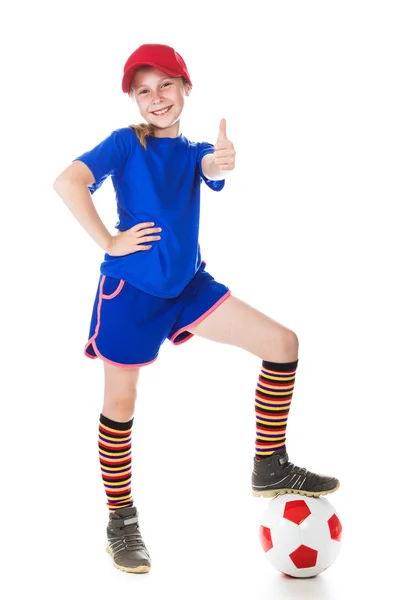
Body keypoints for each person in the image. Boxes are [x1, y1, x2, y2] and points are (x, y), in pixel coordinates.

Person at [53, 43, 339, 575]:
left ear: (186, 88)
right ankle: (121, 520)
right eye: (144, 90)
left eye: (166, 85)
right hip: (131, 296)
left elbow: (209, 162)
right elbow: (67, 182)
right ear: (134, 101)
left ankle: (269, 464)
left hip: (188, 288)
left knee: (283, 344)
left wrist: (221, 159)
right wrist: (108, 240)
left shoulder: (193, 152)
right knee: (121, 401)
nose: (156, 98)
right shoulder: (123, 145)